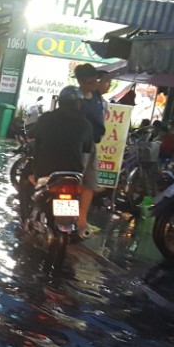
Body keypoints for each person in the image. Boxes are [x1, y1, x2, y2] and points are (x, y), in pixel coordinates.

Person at [21, 85, 97, 234]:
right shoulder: (86, 124)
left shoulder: (46, 119)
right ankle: (80, 221)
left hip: (45, 173)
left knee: (25, 179)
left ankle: (24, 219)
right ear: (79, 104)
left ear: (60, 102)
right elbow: (87, 148)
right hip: (74, 174)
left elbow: (31, 134)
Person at [73, 64, 108, 230]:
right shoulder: (75, 97)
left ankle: (82, 219)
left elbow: (106, 84)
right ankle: (70, 214)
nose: (93, 84)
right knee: (75, 181)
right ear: (80, 82)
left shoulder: (97, 95)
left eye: (95, 81)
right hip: (77, 145)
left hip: (92, 145)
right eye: (89, 82)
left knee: (90, 182)